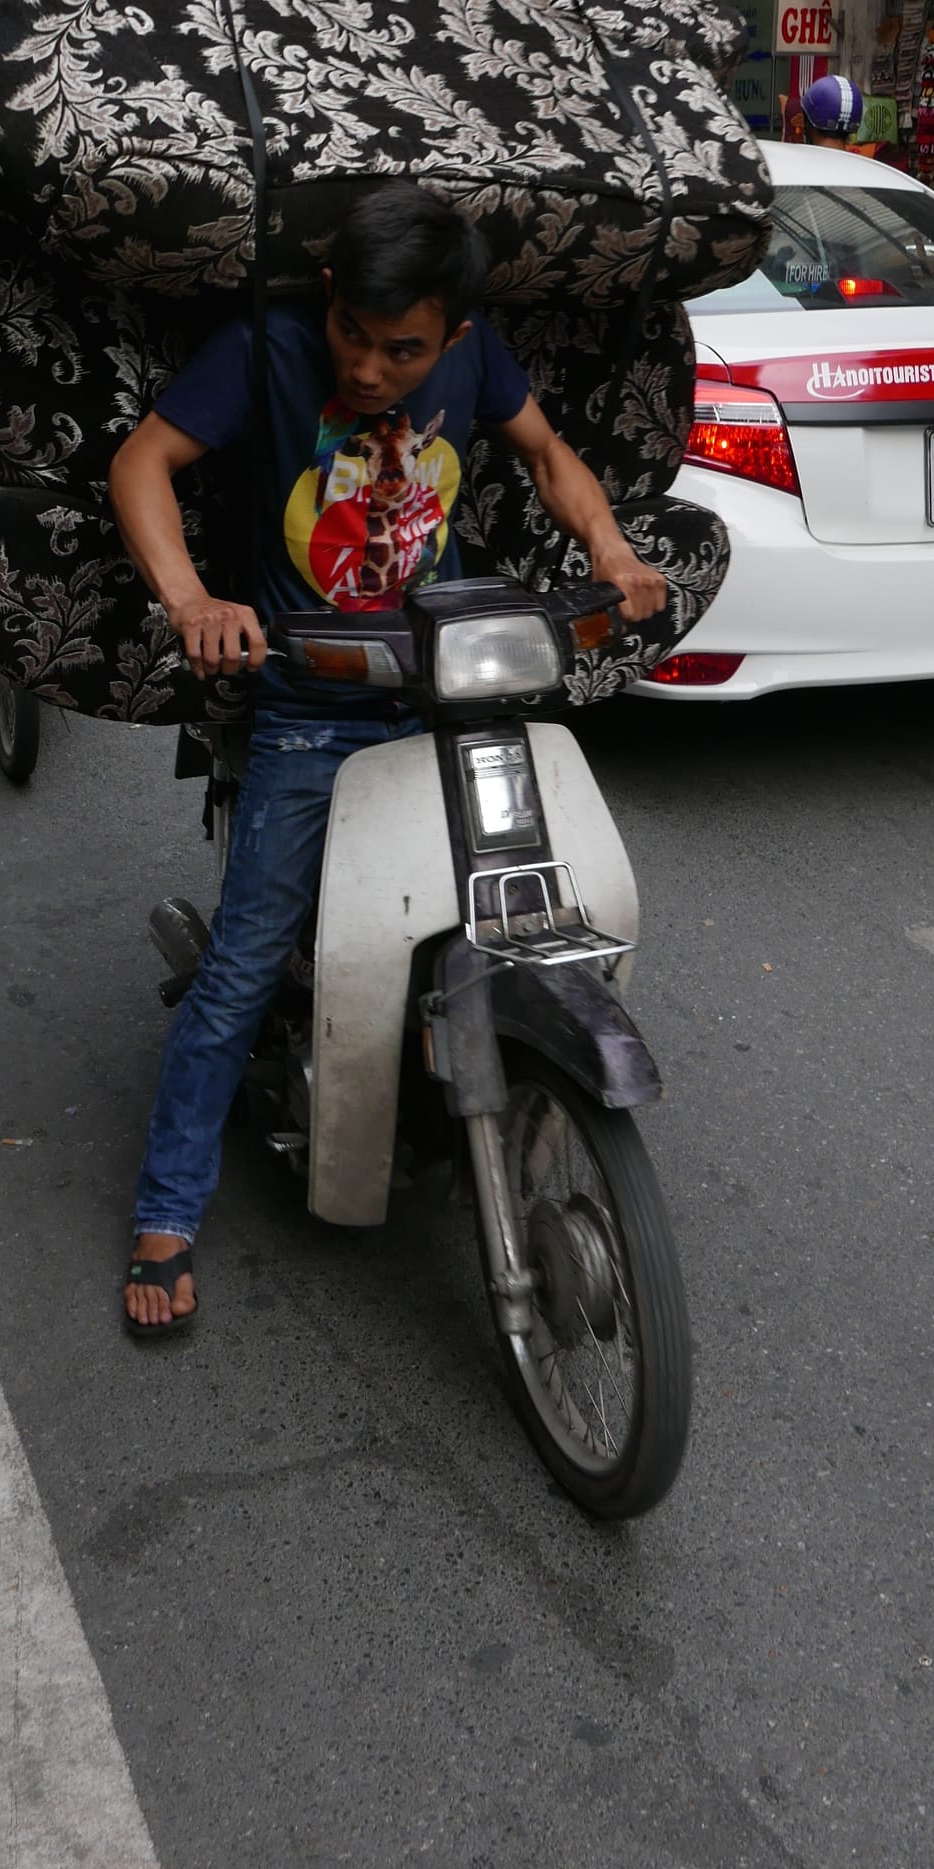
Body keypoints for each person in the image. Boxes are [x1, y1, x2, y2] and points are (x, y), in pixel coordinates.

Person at [108, 182, 669, 1339]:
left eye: (401, 350)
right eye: (352, 338)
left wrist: (610, 549)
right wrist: (192, 596)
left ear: (452, 336)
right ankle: (166, 1210)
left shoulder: (475, 361)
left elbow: (549, 454)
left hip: (446, 697)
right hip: (306, 707)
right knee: (247, 962)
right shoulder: (262, 352)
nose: (367, 371)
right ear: (328, 302)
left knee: (533, 907)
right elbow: (141, 463)